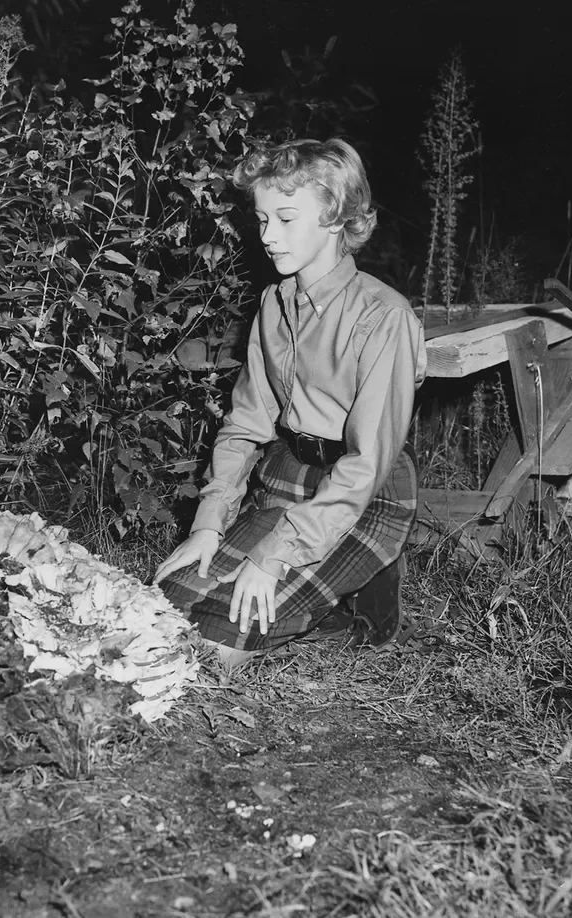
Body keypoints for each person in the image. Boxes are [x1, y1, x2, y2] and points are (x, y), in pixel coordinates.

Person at [153, 137, 427, 666]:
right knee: (162, 606)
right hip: (287, 476)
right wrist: (209, 522)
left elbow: (366, 463)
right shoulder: (274, 304)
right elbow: (246, 422)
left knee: (215, 645)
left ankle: (355, 589)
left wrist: (273, 555)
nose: (268, 237)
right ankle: (324, 597)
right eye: (261, 221)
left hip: (363, 493)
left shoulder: (383, 316)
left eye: (285, 219)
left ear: (334, 218)